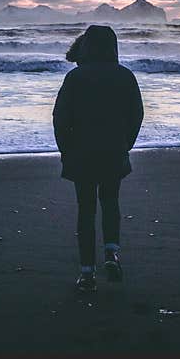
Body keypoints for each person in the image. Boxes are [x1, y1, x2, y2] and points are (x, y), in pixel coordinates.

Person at [53, 25, 144, 293]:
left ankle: (86, 273)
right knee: (110, 201)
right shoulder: (126, 76)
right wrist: (126, 144)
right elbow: (136, 115)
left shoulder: (76, 78)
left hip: (81, 152)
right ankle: (112, 253)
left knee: (86, 209)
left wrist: (65, 149)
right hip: (114, 151)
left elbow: (60, 118)